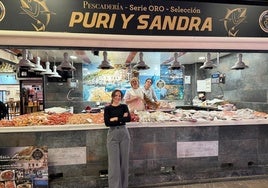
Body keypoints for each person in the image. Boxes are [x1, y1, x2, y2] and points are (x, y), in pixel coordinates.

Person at [104, 89, 131, 188]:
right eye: (116, 95)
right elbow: (107, 123)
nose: (118, 97)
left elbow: (128, 119)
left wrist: (115, 119)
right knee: (113, 164)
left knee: (124, 162)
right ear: (112, 96)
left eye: (119, 96)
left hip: (124, 134)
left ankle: (124, 186)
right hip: (113, 134)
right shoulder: (107, 108)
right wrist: (121, 119)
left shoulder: (124, 106)